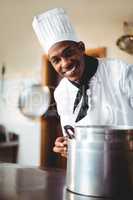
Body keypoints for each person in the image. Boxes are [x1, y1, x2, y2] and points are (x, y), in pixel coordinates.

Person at [32, 8, 133, 158]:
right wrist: (66, 148)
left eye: (69, 53)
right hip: (89, 172)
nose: (65, 63)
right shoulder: (61, 93)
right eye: (56, 60)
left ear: (81, 48)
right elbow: (73, 139)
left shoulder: (120, 71)